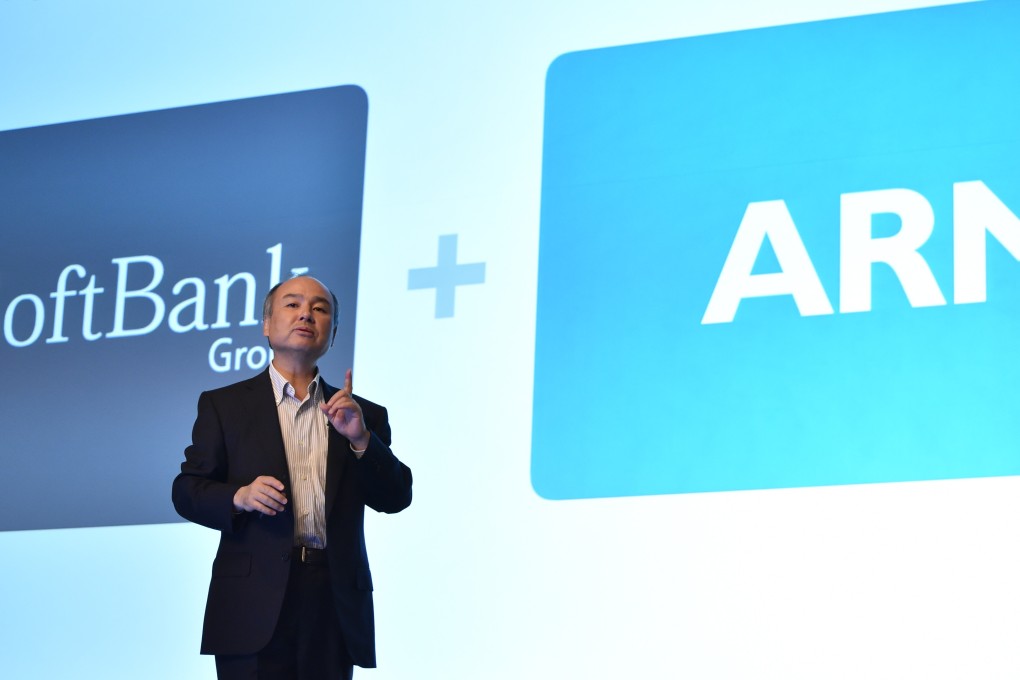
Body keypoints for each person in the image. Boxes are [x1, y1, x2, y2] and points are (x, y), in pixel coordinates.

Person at [172, 275, 412, 680]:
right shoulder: (224, 406)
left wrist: (360, 440)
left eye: (320, 308)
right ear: (266, 324)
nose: (306, 314)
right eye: (293, 304)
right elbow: (187, 490)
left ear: (332, 333)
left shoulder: (362, 415)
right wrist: (239, 497)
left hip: (332, 601)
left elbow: (396, 496)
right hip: (251, 603)